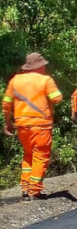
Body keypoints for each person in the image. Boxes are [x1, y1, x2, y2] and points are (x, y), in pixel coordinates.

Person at [2, 53, 63, 201]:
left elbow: (6, 104)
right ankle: (34, 191)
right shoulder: (45, 80)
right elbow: (57, 98)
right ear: (40, 66)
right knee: (40, 156)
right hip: (41, 125)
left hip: (22, 125)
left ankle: (25, 188)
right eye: (44, 65)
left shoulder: (15, 80)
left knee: (29, 155)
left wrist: (7, 123)